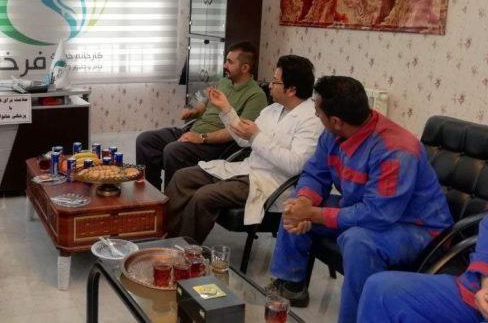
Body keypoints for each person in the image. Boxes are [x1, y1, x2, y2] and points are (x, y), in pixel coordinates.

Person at [266, 76, 452, 323]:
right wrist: (304, 201)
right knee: (293, 207)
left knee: (358, 241)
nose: (315, 115)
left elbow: (379, 214)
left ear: (336, 120)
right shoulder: (332, 134)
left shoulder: (395, 149)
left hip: (417, 227)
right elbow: (316, 173)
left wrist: (315, 214)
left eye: (317, 111)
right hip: (364, 208)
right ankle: (291, 284)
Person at [165, 55, 323, 243]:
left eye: (275, 82)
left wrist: (257, 136)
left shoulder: (311, 120)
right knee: (182, 178)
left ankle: (184, 250)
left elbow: (295, 165)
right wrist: (226, 109)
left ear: (291, 90)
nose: (270, 86)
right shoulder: (272, 110)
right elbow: (243, 140)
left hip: (271, 182)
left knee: (203, 196)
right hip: (247, 170)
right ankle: (167, 237)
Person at [136, 41, 268, 190]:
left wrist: (201, 138)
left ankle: (171, 199)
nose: (224, 65)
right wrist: (193, 110)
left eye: (230, 62)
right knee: (145, 140)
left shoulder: (256, 96)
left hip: (215, 145)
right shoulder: (224, 82)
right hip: (193, 131)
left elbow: (240, 133)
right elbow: (204, 101)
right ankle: (150, 193)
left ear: (245, 68)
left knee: (173, 150)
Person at [357, 215, 488, 323]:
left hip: (423, 228)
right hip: (473, 291)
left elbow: (380, 211)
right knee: (380, 287)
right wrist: (486, 287)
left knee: (358, 241)